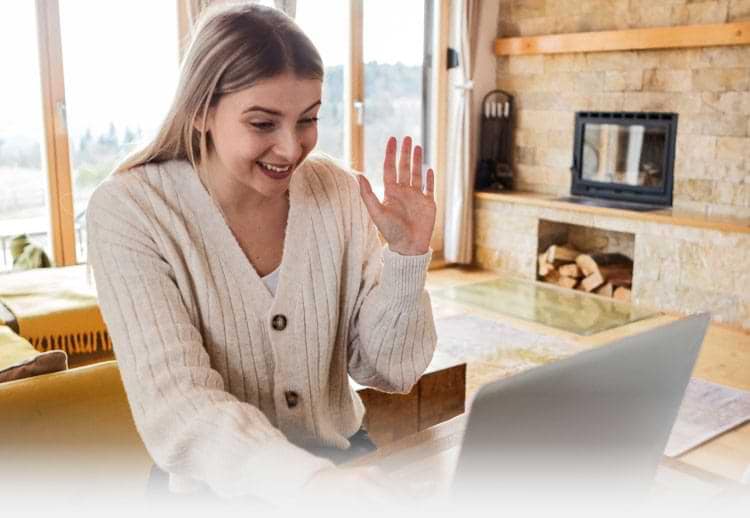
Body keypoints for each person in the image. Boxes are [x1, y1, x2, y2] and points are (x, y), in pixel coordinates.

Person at [86, 1, 437, 509]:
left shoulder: (337, 194)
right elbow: (177, 405)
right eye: (262, 123)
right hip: (212, 494)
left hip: (342, 465)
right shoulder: (131, 211)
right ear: (202, 110)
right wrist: (307, 483)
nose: (291, 149)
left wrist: (405, 260)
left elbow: (388, 370)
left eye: (308, 119)